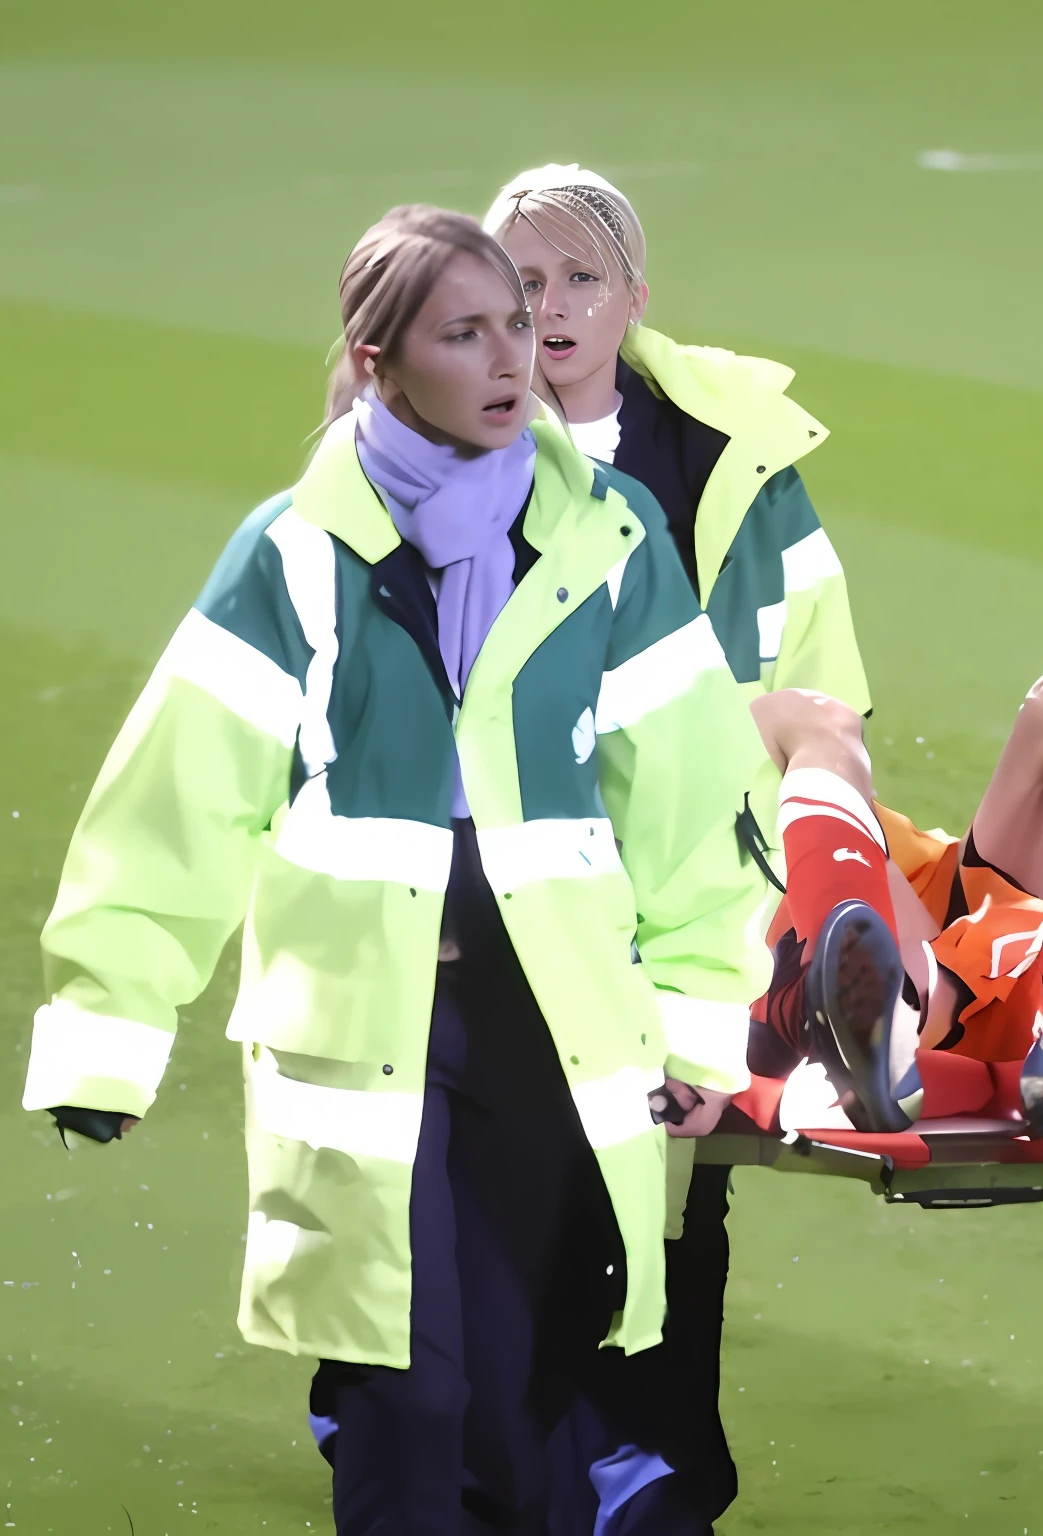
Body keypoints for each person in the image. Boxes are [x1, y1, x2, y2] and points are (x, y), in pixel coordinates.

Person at [20, 204, 773, 1533]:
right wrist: (106, 1031)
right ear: (378, 362)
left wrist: (710, 1020)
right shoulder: (295, 552)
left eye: (519, 329)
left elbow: (694, 797)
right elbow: (174, 801)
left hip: (556, 1029)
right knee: (406, 1397)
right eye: (465, 333)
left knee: (521, 1397)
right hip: (370, 1035)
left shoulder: (612, 539)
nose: (513, 361)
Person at [481, 167, 1043, 1534]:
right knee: (594, 1196)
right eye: (522, 284)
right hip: (654, 851)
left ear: (634, 299)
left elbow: (830, 697)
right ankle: (942, 1008)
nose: (548, 311)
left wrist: (825, 816)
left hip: (793, 849)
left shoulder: (732, 461)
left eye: (579, 281)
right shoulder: (465, 465)